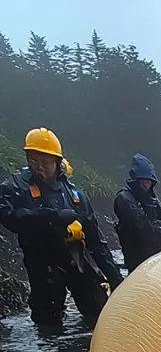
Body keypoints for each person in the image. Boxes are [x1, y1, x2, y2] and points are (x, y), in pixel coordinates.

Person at [0, 127, 123, 331]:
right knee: (48, 323)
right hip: (42, 263)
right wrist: (51, 217)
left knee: (99, 310)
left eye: (45, 162)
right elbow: (7, 216)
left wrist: (116, 277)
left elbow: (95, 240)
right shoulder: (15, 185)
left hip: (75, 258)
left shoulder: (75, 194)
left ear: (58, 162)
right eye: (33, 161)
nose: (39, 167)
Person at [113, 154, 161, 273]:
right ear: (135, 179)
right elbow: (144, 231)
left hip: (157, 262)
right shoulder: (124, 198)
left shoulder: (153, 199)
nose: (146, 184)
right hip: (136, 263)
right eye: (143, 180)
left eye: (149, 181)